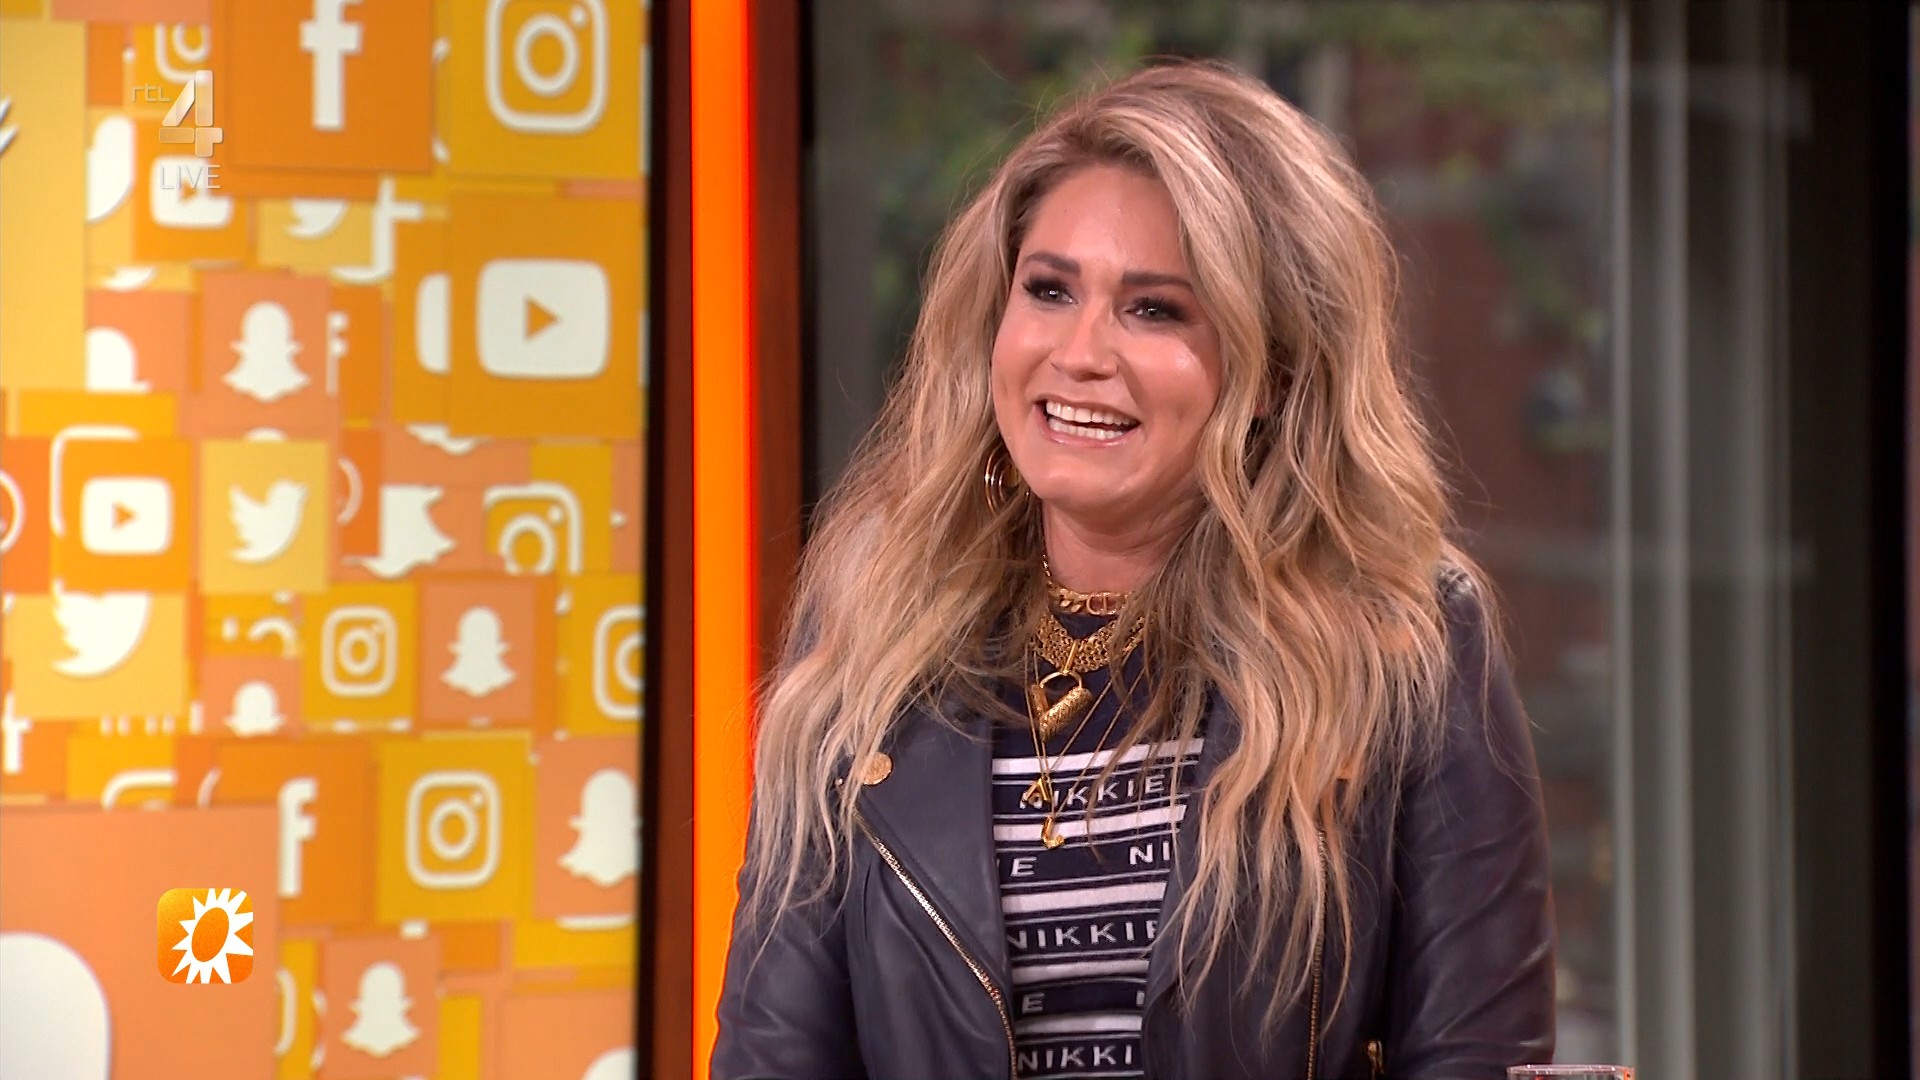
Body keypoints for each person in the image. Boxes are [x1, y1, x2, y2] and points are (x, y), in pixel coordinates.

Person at [713, 60, 1554, 1080]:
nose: (1079, 353)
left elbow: (1477, 1058)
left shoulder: (1404, 641)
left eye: (1154, 310)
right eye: (1048, 290)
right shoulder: (872, 633)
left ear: (1273, 370)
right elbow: (774, 1056)